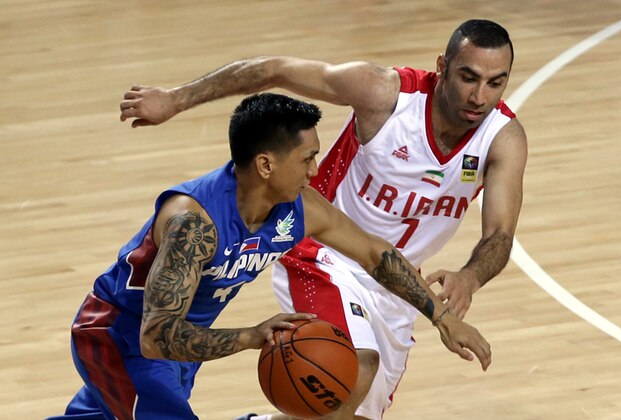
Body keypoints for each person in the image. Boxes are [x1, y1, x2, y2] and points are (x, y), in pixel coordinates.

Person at [118, 19, 523, 419]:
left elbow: (500, 235)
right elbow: (273, 69)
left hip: (395, 279)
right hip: (324, 251)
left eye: (495, 83)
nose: (479, 96)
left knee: (346, 413)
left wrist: (470, 277)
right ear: (442, 67)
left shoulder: (502, 138)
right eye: (469, 77)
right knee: (353, 369)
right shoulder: (384, 94)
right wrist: (175, 100)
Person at [51, 93, 490, 420]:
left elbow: (376, 255)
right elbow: (155, 336)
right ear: (266, 165)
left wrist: (441, 317)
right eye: (307, 158)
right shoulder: (193, 223)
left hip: (182, 342)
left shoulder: (301, 206)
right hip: (120, 339)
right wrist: (251, 336)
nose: (315, 171)